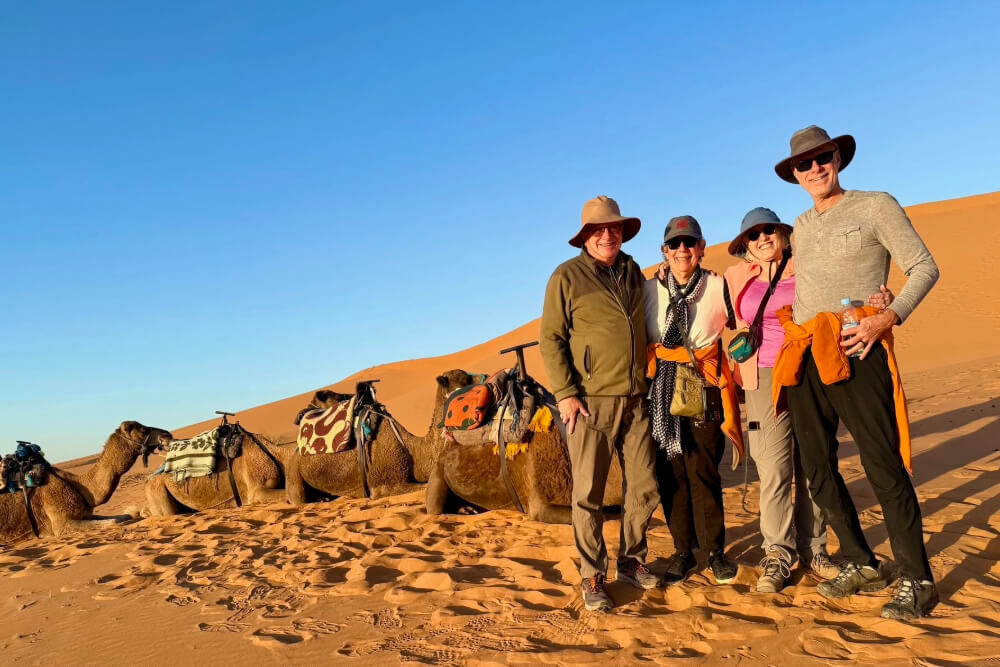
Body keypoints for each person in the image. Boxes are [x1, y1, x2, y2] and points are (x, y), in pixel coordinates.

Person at [773, 125, 940, 619]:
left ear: (838, 159)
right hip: (807, 354)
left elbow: (924, 266)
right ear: (795, 174)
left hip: (858, 350)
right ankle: (860, 560)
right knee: (817, 470)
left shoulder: (875, 205)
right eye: (804, 164)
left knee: (882, 465)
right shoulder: (800, 225)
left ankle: (918, 578)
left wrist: (887, 316)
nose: (815, 168)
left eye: (822, 158)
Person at [540, 195, 661, 612]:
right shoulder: (566, 277)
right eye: (598, 229)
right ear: (585, 236)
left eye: (613, 228)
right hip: (590, 403)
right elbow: (551, 339)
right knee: (588, 494)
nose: (607, 235)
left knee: (644, 484)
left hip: (636, 398)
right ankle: (592, 574)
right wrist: (566, 393)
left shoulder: (631, 271)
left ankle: (630, 560)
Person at [644, 215, 745, 587]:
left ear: (701, 248)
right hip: (662, 390)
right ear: (664, 251)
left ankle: (715, 551)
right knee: (671, 474)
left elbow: (748, 317)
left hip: (704, 385)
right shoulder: (648, 290)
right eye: (675, 244)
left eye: (689, 242)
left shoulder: (719, 286)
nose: (682, 249)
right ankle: (683, 550)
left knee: (703, 470)